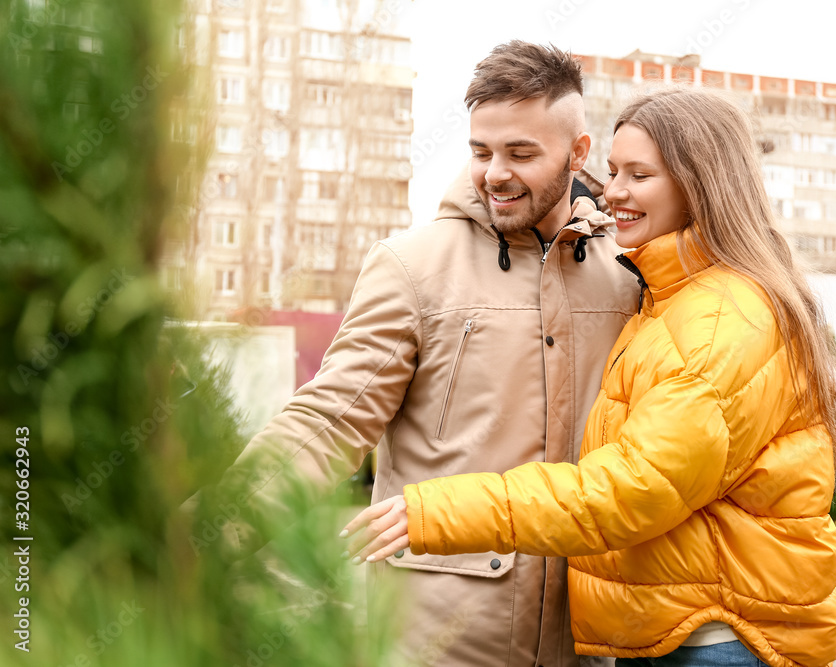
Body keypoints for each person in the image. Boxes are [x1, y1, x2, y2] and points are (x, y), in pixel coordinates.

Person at [343, 86, 836, 667]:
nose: (613, 192)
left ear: (701, 184)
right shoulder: (668, 295)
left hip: (718, 641)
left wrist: (439, 512)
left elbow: (631, 489)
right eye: (613, 171)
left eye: (640, 175)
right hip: (685, 629)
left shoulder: (720, 316)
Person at [210, 41, 637, 667]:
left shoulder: (625, 275)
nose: (495, 172)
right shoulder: (412, 267)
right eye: (481, 151)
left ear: (578, 153)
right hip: (439, 643)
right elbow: (328, 420)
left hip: (589, 642)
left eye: (521, 153)